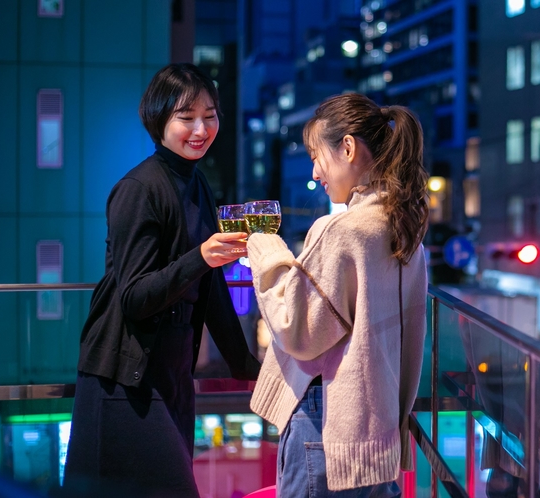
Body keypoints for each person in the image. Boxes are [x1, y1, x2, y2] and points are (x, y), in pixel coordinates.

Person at [62, 63, 261, 498]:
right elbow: (134, 297)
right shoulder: (139, 188)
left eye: (209, 116)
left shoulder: (198, 185)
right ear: (158, 119)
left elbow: (211, 294)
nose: (201, 128)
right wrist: (201, 257)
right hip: (125, 377)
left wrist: (246, 367)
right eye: (185, 117)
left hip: (170, 372)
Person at [246, 93, 429, 497]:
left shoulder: (342, 231)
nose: (315, 171)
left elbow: (298, 331)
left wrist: (265, 250)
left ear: (347, 147)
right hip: (378, 424)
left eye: (316, 155)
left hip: (327, 418)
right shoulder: (406, 231)